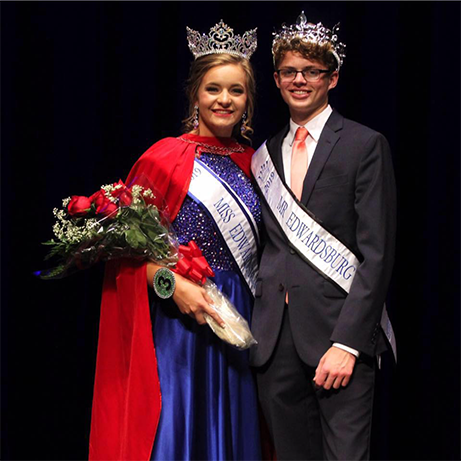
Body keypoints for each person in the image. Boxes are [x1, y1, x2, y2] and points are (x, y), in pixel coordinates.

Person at [89, 20, 262, 461]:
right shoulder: (163, 158)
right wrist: (173, 285)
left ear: (249, 99)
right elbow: (124, 259)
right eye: (214, 88)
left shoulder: (260, 164)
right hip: (178, 324)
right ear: (195, 94)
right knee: (177, 429)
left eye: (236, 91)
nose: (225, 100)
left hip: (240, 317)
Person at [250, 12, 397, 461]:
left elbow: (377, 255)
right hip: (275, 339)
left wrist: (349, 343)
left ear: (332, 78)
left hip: (338, 335)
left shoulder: (364, 144)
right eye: (290, 71)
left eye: (311, 72)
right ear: (276, 79)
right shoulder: (264, 154)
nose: (300, 80)